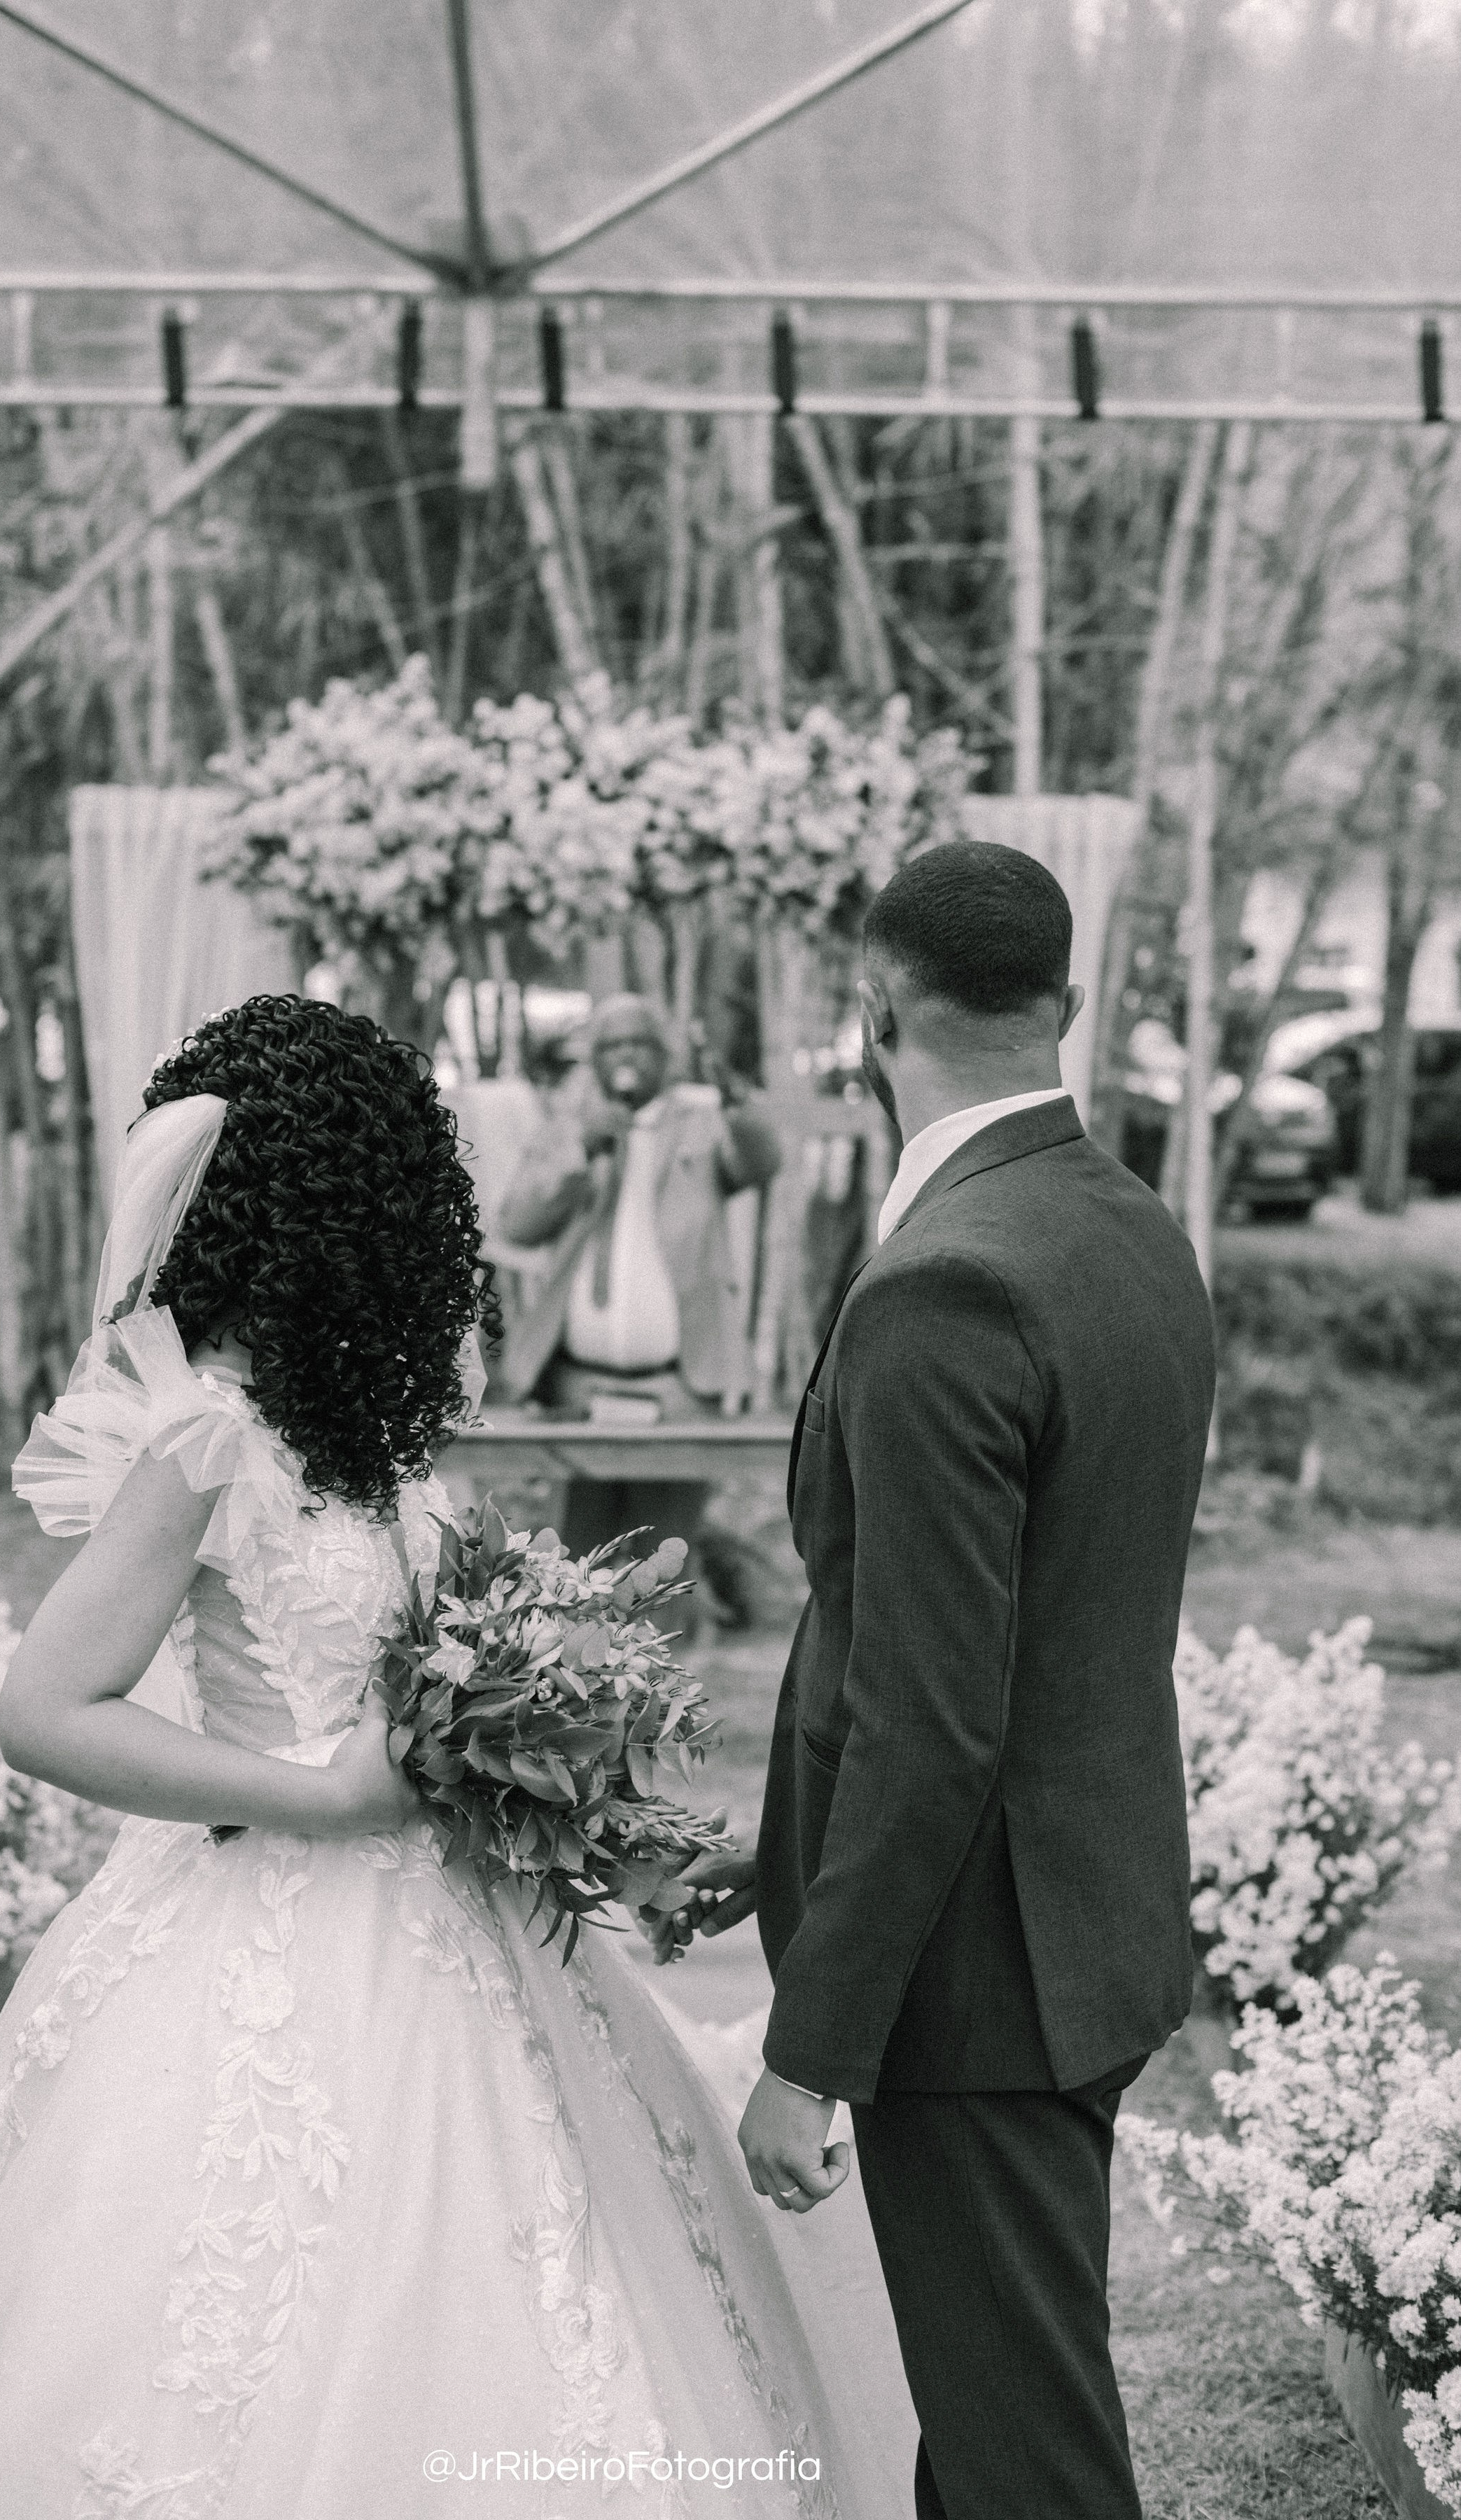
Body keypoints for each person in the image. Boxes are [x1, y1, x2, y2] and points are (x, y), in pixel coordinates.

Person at [0, 995, 889, 2520]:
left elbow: (454, 1713)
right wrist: (316, 1794)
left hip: (469, 1924)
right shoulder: (205, 1441)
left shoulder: (369, 1442)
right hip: (267, 1938)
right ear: (360, 1214)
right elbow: (46, 1709)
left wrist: (609, 1836)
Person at [651, 844, 1217, 2520]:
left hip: (977, 1987)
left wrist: (810, 2050)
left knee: (1029, 2463)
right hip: (1078, 1929)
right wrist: (779, 1852)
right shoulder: (1130, 1232)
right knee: (985, 2434)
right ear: (1071, 1002)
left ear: (873, 1003)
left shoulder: (944, 1283)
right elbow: (1023, 1644)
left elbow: (931, 1709)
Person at [494, 993, 781, 1563]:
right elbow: (519, 1227)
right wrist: (582, 1148)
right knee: (576, 1563)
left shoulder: (701, 1124)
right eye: (613, 1044)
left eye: (640, 1043)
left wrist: (737, 1103)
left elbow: (759, 1161)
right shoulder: (568, 1128)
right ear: (594, 1059)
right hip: (578, 1389)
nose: (627, 1056)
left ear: (666, 1055)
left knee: (662, 1562)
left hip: (676, 1389)